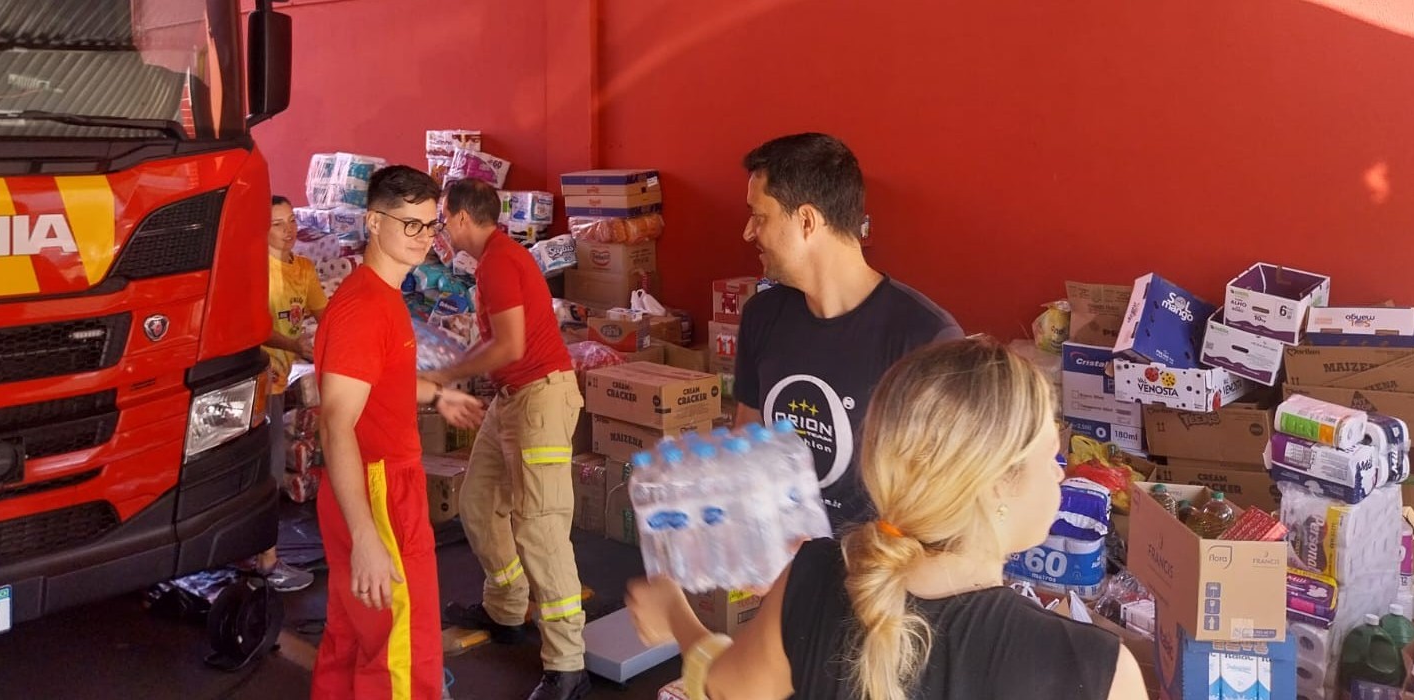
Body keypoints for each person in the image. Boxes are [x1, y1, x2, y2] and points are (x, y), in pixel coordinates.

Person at [626, 338, 1146, 700]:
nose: (1060, 476)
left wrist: (675, 615)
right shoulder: (1093, 669)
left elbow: (726, 686)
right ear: (993, 485)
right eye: (1050, 457)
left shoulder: (812, 577)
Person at [312, 165, 486, 700]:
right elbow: (335, 422)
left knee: (355, 633)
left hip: (374, 487)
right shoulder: (364, 309)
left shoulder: (383, 298)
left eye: (429, 225)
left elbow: (378, 383)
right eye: (408, 223)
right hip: (378, 491)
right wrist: (367, 534)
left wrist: (436, 394)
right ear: (372, 222)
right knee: (401, 652)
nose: (422, 238)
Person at [733, 132, 964, 534]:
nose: (749, 233)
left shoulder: (926, 337)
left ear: (806, 221)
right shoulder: (762, 316)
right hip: (788, 574)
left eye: (760, 216)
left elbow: (947, 499)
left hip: (880, 582)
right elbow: (748, 437)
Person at [424, 178, 590, 700]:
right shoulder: (495, 261)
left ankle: (568, 666)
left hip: (538, 398)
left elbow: (511, 344)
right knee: (477, 503)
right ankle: (507, 607)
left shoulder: (498, 261)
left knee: (539, 529)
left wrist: (446, 374)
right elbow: (501, 341)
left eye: (439, 219)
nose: (438, 230)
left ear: (459, 217)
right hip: (512, 398)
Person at [255, 194, 323, 593]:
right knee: (268, 469)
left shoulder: (305, 269)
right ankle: (266, 560)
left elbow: (323, 315)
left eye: (292, 220)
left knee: (271, 467)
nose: (288, 230)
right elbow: (254, 326)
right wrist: (296, 347)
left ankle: (259, 552)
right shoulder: (254, 269)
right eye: (278, 223)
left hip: (279, 380)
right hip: (255, 379)